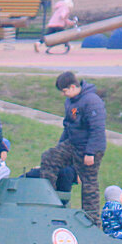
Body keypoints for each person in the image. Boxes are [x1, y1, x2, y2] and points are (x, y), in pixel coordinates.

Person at [39, 72, 107, 225]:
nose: (64, 95)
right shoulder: (70, 102)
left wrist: (90, 153)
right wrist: (60, 146)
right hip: (73, 144)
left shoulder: (92, 101)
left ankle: (92, 220)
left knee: (89, 184)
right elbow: (67, 127)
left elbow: (97, 129)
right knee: (49, 158)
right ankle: (48, 201)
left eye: (64, 91)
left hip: (90, 148)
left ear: (72, 86)